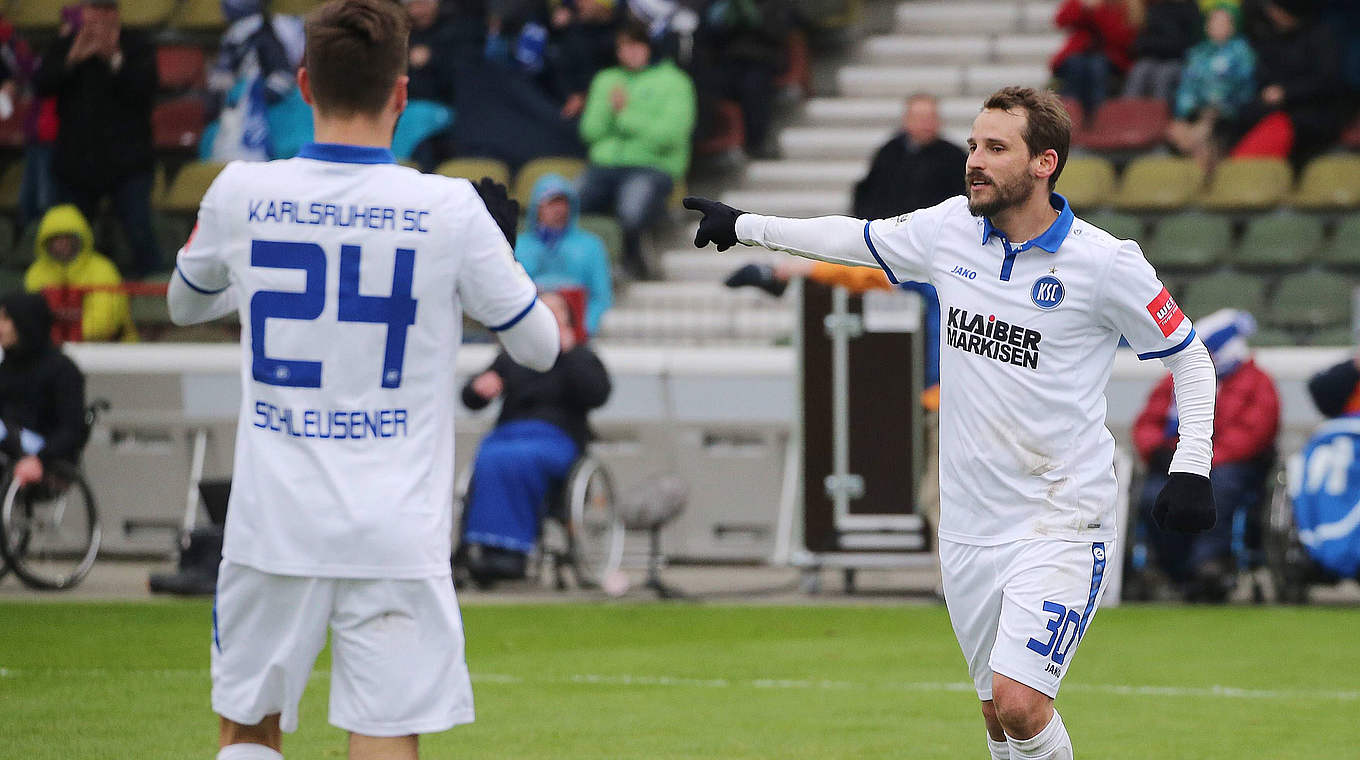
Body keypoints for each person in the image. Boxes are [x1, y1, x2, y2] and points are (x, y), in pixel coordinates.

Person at [684, 85, 1218, 760]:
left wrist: (1191, 467)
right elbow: (852, 238)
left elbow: (1192, 360)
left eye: (996, 148)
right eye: (972, 145)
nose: (975, 160)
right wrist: (744, 226)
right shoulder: (948, 232)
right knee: (999, 716)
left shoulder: (1106, 263)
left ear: (1045, 162)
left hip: (1059, 518)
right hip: (970, 527)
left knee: (1024, 706)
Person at [166, 2, 560, 759]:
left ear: (305, 85)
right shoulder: (447, 208)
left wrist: (253, 274)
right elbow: (539, 347)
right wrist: (495, 263)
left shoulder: (241, 192)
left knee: (248, 729)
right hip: (394, 526)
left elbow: (185, 303)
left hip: (272, 520)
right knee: (384, 733)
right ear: (401, 94)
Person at [456, 290, 611, 584]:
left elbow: (597, 394)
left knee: (518, 458)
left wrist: (569, 355)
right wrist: (479, 388)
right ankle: (483, 547)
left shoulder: (580, 357)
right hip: (509, 434)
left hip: (555, 437)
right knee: (489, 455)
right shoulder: (513, 358)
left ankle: (511, 550)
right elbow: (470, 397)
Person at [1132, 309, 1278, 602]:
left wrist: (1200, 459)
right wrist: (1157, 451)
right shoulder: (1176, 379)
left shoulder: (1257, 382)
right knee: (1151, 498)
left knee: (1220, 491)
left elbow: (1254, 432)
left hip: (1229, 466)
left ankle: (1207, 564)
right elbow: (1147, 422)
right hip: (1178, 462)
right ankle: (1174, 566)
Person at [32, 0, 159, 279]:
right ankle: (70, 292)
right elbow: (41, 85)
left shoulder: (137, 45)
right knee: (71, 230)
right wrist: (72, 60)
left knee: (139, 231)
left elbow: (145, 90)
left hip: (128, 160)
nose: (97, 17)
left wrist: (114, 58)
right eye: (92, 9)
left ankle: (153, 291)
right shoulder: (65, 44)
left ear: (116, 14)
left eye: (105, 10)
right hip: (77, 161)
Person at [577, 20, 696, 279]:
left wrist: (624, 115)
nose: (628, 53)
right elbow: (590, 130)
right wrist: (629, 122)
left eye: (635, 45)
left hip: (653, 166)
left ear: (649, 47)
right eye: (623, 47)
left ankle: (635, 261)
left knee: (632, 209)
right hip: (605, 165)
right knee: (570, 202)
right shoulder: (607, 79)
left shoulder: (675, 82)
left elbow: (669, 136)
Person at [1223, 0, 1351, 163]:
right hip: (1270, 108)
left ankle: (1243, 170)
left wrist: (1286, 92)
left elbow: (1328, 80)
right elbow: (1263, 76)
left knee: (1281, 126)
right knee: (1239, 116)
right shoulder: (1268, 35)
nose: (1271, 12)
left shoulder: (1321, 35)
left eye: (1276, 9)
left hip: (1309, 111)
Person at [202, 0, 311, 163]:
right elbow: (219, 87)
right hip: (237, 114)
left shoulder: (263, 33)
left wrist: (256, 97)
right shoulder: (235, 36)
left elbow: (282, 76)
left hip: (272, 115)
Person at [0, 292, 86, 489]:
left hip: (44, 455)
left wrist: (40, 459)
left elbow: (72, 430)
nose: (0, 327)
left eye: (6, 319)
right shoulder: (6, 368)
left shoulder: (62, 370)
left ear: (24, 322)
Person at [24, 204, 138, 343]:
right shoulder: (36, 273)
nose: (63, 243)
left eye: (68, 237)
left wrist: (61, 338)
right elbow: (30, 320)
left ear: (81, 238)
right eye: (56, 238)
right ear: (45, 242)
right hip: (52, 351)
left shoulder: (103, 270)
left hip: (109, 351)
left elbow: (103, 325)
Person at [515, 173, 613, 335]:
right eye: (552, 203)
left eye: (563, 202)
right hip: (529, 331)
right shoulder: (519, 246)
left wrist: (583, 330)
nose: (559, 209)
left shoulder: (590, 245)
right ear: (537, 207)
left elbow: (601, 295)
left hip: (576, 333)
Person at [1165, 3, 1255, 169]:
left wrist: (1212, 112)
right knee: (1177, 130)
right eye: (1213, 21)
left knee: (1204, 137)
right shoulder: (1197, 53)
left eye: (1222, 22)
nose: (1216, 25)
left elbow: (1240, 86)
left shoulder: (1242, 52)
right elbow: (1187, 87)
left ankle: (1206, 184)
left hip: (1228, 114)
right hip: (1197, 112)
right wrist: (1184, 115)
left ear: (1234, 25)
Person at [852, 93, 967, 222]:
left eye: (931, 117)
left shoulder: (954, 156)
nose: (926, 124)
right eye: (920, 118)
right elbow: (869, 194)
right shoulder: (889, 152)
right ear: (906, 120)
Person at [1051, 0, 1138, 116]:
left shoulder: (1125, 6)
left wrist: (1098, 11)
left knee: (1097, 67)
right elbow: (1062, 20)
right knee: (1075, 65)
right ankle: (1069, 112)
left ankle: (1098, 115)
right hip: (1080, 55)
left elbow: (1120, 37)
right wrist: (1083, 7)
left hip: (1112, 57)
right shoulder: (1083, 3)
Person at [1121, 0, 1203, 101]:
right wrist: (1164, 44)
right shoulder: (1157, 8)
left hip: (1179, 60)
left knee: (1163, 75)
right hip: (1154, 58)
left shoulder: (1191, 9)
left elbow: (1189, 43)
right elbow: (1143, 40)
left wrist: (1159, 44)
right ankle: (1127, 112)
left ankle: (1159, 114)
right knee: (1139, 70)